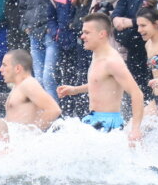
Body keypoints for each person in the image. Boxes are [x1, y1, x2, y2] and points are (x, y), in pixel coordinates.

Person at [56, 12, 144, 140]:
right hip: (93, 119)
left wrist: (135, 129)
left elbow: (137, 93)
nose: (82, 36)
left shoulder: (112, 61)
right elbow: (100, 83)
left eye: (87, 33)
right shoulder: (96, 54)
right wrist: (75, 90)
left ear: (101, 34)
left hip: (109, 124)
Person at [21, 0, 61, 96]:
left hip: (51, 32)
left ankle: (54, 109)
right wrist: (25, 25)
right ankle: (43, 108)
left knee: (48, 77)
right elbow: (23, 7)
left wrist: (57, 27)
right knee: (38, 78)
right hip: (34, 32)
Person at [0, 49, 61, 130]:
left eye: (4, 65)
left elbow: (54, 110)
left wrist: (33, 133)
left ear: (17, 68)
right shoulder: (18, 86)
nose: (0, 69)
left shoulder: (29, 84)